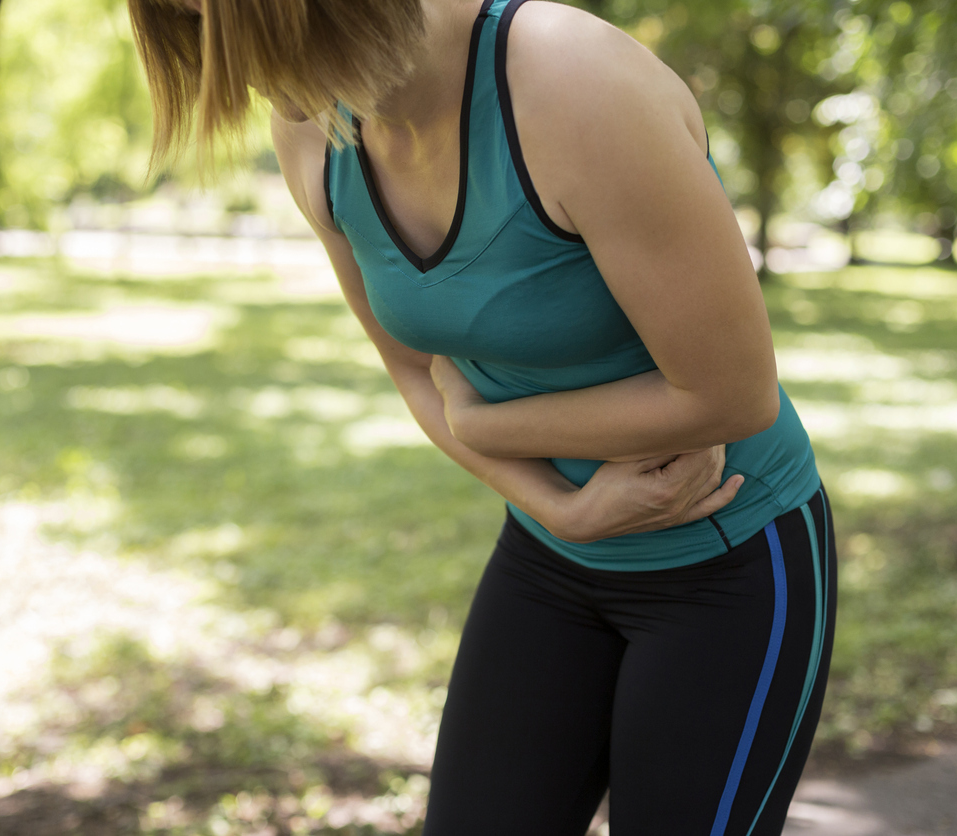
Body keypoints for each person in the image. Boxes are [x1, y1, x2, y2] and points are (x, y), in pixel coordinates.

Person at [127, 1, 837, 834]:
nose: (229, 67)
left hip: (726, 553)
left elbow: (728, 395)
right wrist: (563, 507)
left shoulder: (572, 80)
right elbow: (412, 369)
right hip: (548, 556)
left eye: (217, 21)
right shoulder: (315, 134)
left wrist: (492, 426)